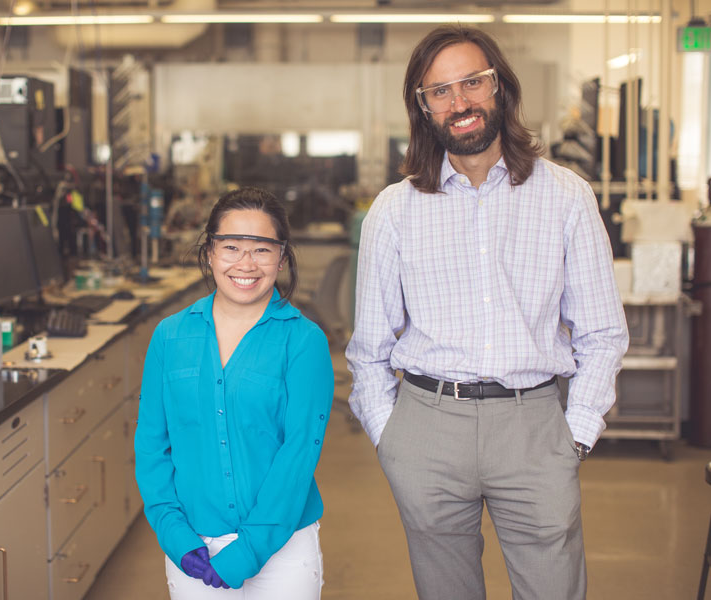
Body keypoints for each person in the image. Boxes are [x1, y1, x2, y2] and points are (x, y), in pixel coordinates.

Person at [345, 25, 629, 600]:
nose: (460, 102)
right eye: (440, 91)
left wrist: (575, 434)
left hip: (534, 427)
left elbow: (601, 332)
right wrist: (390, 436)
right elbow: (368, 347)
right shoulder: (393, 212)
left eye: (472, 82)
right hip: (427, 424)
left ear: (500, 88)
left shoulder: (566, 196)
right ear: (423, 108)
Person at [135, 187, 334, 598]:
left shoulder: (303, 341)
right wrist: (174, 534)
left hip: (283, 548)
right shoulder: (169, 336)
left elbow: (298, 454)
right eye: (231, 247)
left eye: (262, 249)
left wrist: (250, 550)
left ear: (282, 257)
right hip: (193, 543)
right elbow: (152, 446)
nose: (246, 263)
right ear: (210, 252)